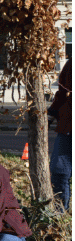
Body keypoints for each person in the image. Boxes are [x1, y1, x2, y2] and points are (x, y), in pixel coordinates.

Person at [47, 58, 71, 211]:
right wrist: (51, 114)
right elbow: (63, 91)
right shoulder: (72, 64)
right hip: (67, 129)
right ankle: (59, 218)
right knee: (58, 172)